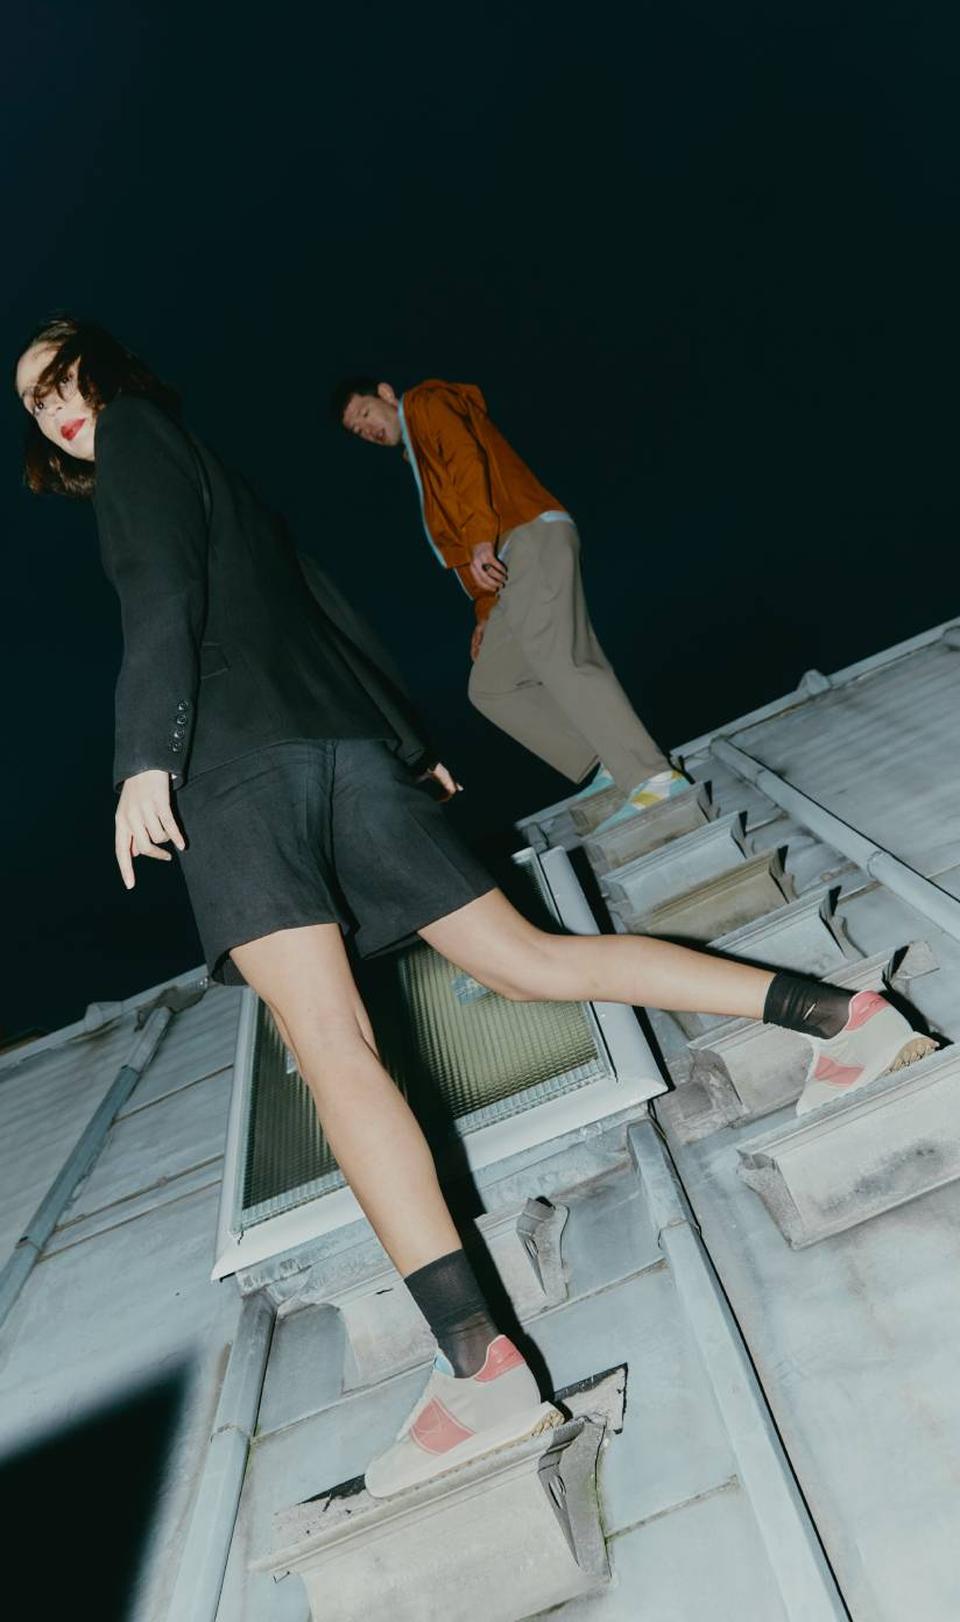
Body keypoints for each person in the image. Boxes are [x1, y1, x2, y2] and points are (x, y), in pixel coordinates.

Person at [17, 317, 935, 1501]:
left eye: (65, 378)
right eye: (35, 402)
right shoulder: (212, 469)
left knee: (332, 1049)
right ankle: (846, 1016)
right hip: (347, 756)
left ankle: (476, 1367)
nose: (57, 408)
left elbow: (161, 589)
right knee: (529, 959)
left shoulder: (138, 443)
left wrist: (146, 755)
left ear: (109, 373)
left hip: (239, 778)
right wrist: (410, 746)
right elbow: (319, 606)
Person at [332, 375, 685, 831]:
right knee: (492, 685)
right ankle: (607, 761)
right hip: (504, 566)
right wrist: (485, 610)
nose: (367, 430)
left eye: (364, 414)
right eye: (357, 431)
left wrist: (482, 538)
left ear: (384, 394)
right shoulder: (415, 457)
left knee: (559, 656)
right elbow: (458, 541)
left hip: (526, 533)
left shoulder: (427, 403)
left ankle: (652, 774)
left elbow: (466, 457)